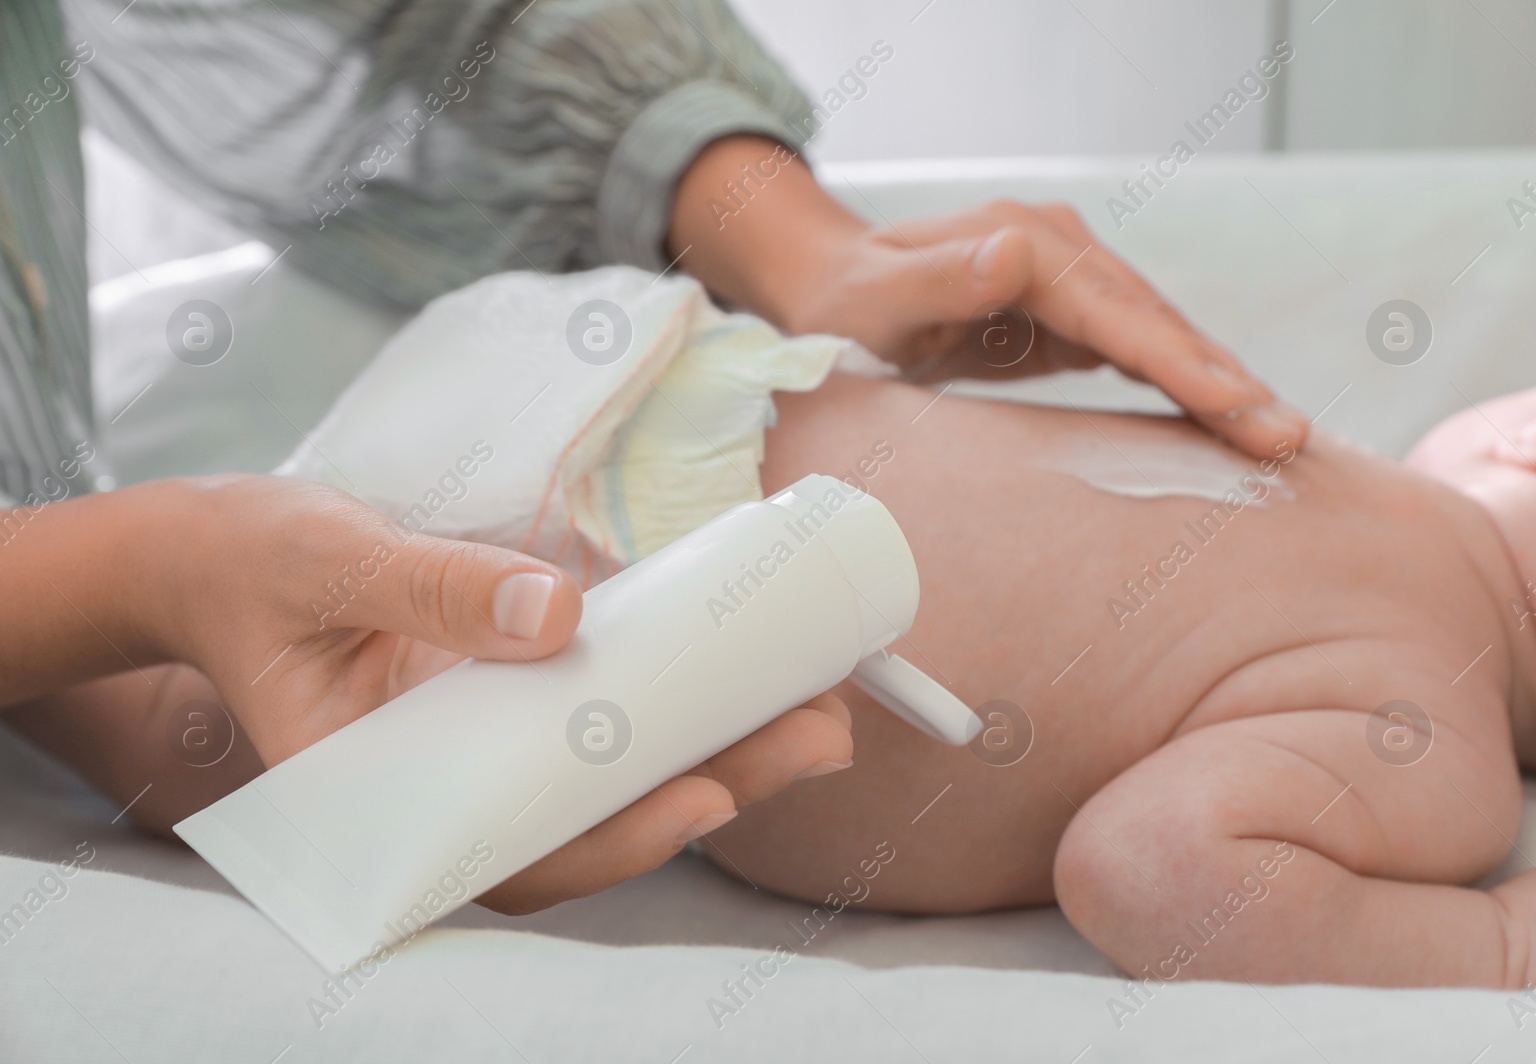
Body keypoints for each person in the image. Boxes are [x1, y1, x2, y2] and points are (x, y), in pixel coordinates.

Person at [0, 0, 1305, 910]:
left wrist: (800, 250)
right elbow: (1159, 866)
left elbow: (410, 30)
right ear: (1532, 440)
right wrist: (118, 588)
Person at [691, 367, 1536, 988]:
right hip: (635, 628)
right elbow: (1144, 870)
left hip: (658, 408)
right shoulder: (1441, 747)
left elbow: (1139, 864)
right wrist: (1507, 951)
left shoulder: (1312, 454)